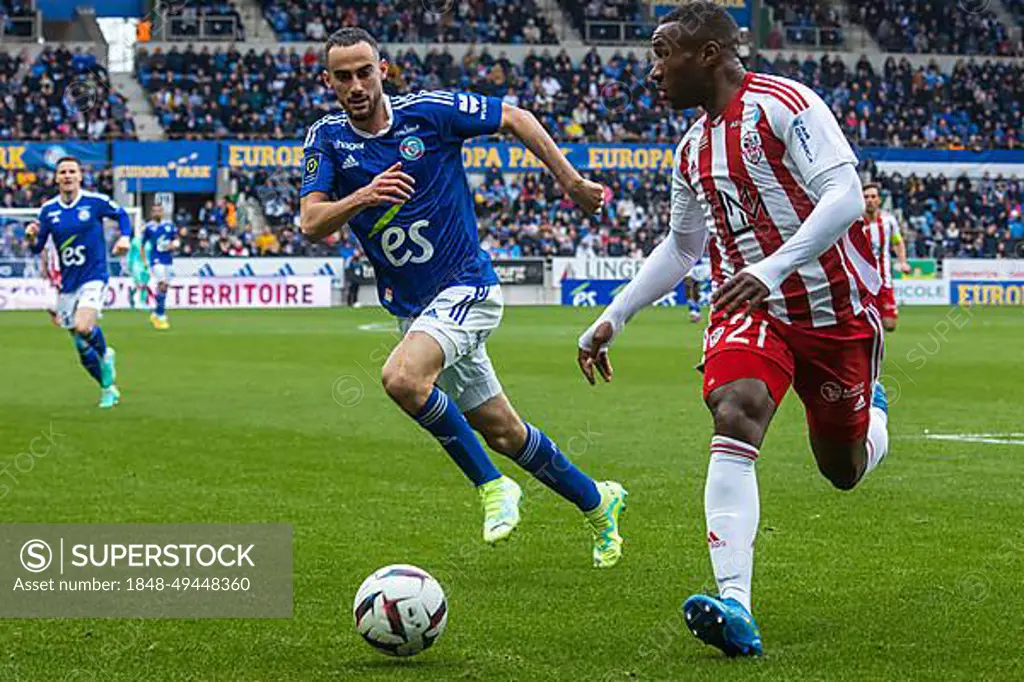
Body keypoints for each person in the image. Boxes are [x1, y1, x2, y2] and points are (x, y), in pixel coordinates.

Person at [576, 2, 889, 654]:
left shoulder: (784, 104)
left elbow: (844, 195)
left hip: (833, 312)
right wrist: (616, 313)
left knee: (843, 469)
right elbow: (681, 249)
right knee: (735, 409)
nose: (653, 70)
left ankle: (875, 416)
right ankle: (736, 608)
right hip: (751, 309)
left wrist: (775, 267)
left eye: (664, 54)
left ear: (709, 53)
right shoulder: (689, 149)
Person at [300, 28, 628, 567]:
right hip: (415, 311)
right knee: (503, 430)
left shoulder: (429, 113)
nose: (355, 85)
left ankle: (493, 488)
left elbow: (516, 117)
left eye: (364, 72)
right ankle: (599, 503)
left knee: (401, 379)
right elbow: (312, 222)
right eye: (343, 76)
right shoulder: (327, 138)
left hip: (467, 288)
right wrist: (363, 195)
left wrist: (569, 182)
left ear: (382, 69)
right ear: (327, 81)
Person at [25, 157, 131, 408]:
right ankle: (107, 388)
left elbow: (122, 214)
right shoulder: (48, 210)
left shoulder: (95, 202)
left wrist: (125, 237)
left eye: (72, 171)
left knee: (84, 327)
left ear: (80, 176)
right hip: (68, 283)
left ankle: (106, 354)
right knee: (81, 346)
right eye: (62, 172)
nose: (67, 176)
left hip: (94, 276)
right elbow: (37, 247)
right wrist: (31, 237)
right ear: (56, 178)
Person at [860, 183, 910, 332]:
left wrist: (903, 262)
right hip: (861, 282)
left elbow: (898, 242)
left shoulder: (889, 221)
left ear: (879, 200)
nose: (870, 200)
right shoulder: (855, 221)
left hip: (884, 279)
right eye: (866, 197)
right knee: (866, 325)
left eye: (873, 196)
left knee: (890, 325)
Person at [141, 203, 178, 330]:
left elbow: (176, 239)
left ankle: (156, 312)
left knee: (165, 287)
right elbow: (142, 244)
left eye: (159, 211)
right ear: (152, 213)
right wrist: (144, 260)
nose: (157, 213)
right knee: (162, 284)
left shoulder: (169, 225)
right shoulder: (149, 227)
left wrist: (174, 245)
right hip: (155, 259)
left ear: (162, 212)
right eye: (154, 211)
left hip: (168, 259)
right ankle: (161, 316)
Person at [126, 223, 151, 310]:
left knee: (145, 284)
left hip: (147, 265)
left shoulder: (150, 241)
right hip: (136, 264)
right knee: (139, 282)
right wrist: (129, 264)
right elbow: (131, 254)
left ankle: (142, 301)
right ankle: (136, 299)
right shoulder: (135, 241)